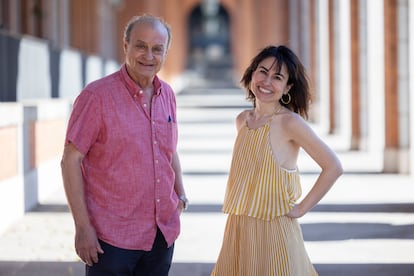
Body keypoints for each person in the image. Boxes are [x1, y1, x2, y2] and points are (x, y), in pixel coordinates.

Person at [60, 14, 188, 276]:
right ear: (125, 45)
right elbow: (70, 160)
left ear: (166, 52)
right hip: (112, 240)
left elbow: (168, 149)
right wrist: (83, 228)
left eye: (157, 49)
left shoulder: (168, 95)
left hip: (162, 235)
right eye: (140, 46)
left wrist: (181, 193)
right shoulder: (96, 97)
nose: (148, 56)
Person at [211, 45, 343, 276]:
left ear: (287, 87)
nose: (267, 81)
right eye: (262, 72)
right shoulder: (242, 121)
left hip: (275, 234)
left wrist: (302, 208)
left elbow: (333, 166)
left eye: (277, 77)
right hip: (238, 231)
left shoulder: (290, 123)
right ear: (252, 74)